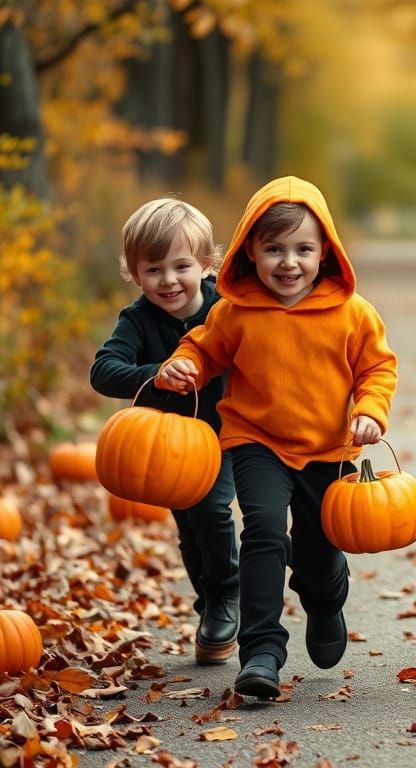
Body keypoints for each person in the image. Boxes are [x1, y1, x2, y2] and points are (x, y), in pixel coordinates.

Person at [155, 176, 398, 698]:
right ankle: (261, 651)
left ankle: (325, 596)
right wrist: (182, 365)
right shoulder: (234, 311)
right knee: (263, 531)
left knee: (317, 546)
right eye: (274, 250)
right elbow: (202, 348)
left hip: (330, 449)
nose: (289, 263)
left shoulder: (352, 312)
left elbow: (377, 369)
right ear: (251, 252)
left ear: (325, 252)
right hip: (255, 440)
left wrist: (372, 411)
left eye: (303, 250)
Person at [90, 197, 240, 666]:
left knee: (214, 512)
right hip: (172, 448)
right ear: (134, 272)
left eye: (181, 266)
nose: (169, 280)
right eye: (153, 269)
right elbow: (104, 370)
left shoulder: (228, 307)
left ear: (207, 263)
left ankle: (228, 595)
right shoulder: (137, 320)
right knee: (191, 527)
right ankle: (210, 604)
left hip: (230, 431)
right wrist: (154, 374)